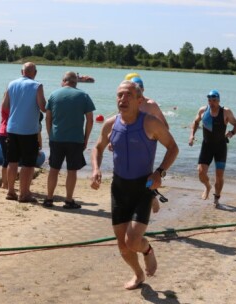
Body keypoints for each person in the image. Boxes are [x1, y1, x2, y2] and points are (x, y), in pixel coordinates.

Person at [91, 80, 178, 290]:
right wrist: (96, 169)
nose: (123, 99)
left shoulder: (150, 123)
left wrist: (159, 172)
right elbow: (97, 147)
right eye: (120, 95)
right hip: (119, 188)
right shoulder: (111, 124)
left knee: (133, 241)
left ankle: (147, 249)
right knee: (123, 246)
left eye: (128, 95)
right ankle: (138, 275)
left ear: (139, 100)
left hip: (143, 187)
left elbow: (173, 148)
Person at [44, 71, 95, 209]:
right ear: (75, 82)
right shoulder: (83, 96)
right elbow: (90, 120)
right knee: (72, 171)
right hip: (76, 140)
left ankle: (49, 199)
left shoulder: (54, 95)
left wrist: (50, 135)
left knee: (54, 169)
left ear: (64, 81)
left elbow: (47, 118)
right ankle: (68, 200)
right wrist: (86, 139)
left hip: (56, 138)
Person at [2, 62, 46, 202]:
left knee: (12, 161)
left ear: (22, 72)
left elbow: (5, 105)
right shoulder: (37, 86)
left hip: (12, 128)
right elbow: (43, 107)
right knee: (28, 163)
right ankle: (24, 193)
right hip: (28, 130)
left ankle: (10, 191)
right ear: (35, 73)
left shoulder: (11, 84)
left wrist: (17, 110)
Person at [188, 89, 236, 207]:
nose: (211, 103)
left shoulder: (225, 112)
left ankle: (216, 198)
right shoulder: (203, 110)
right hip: (206, 146)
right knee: (201, 172)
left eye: (214, 100)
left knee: (219, 175)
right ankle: (207, 186)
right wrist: (192, 135)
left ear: (219, 100)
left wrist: (231, 133)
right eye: (209, 100)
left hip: (220, 147)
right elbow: (196, 122)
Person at [129, 75, 169, 213]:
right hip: (129, 145)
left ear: (143, 89)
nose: (136, 91)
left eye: (138, 88)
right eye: (133, 89)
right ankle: (150, 197)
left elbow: (165, 126)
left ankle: (151, 196)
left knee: (144, 175)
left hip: (146, 145)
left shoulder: (151, 105)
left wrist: (154, 134)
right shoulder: (127, 102)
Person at [0, 95, 10, 189]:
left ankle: (4, 183)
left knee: (6, 158)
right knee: (9, 159)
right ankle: (5, 183)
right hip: (8, 133)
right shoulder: (12, 107)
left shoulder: (3, 105)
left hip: (2, 133)